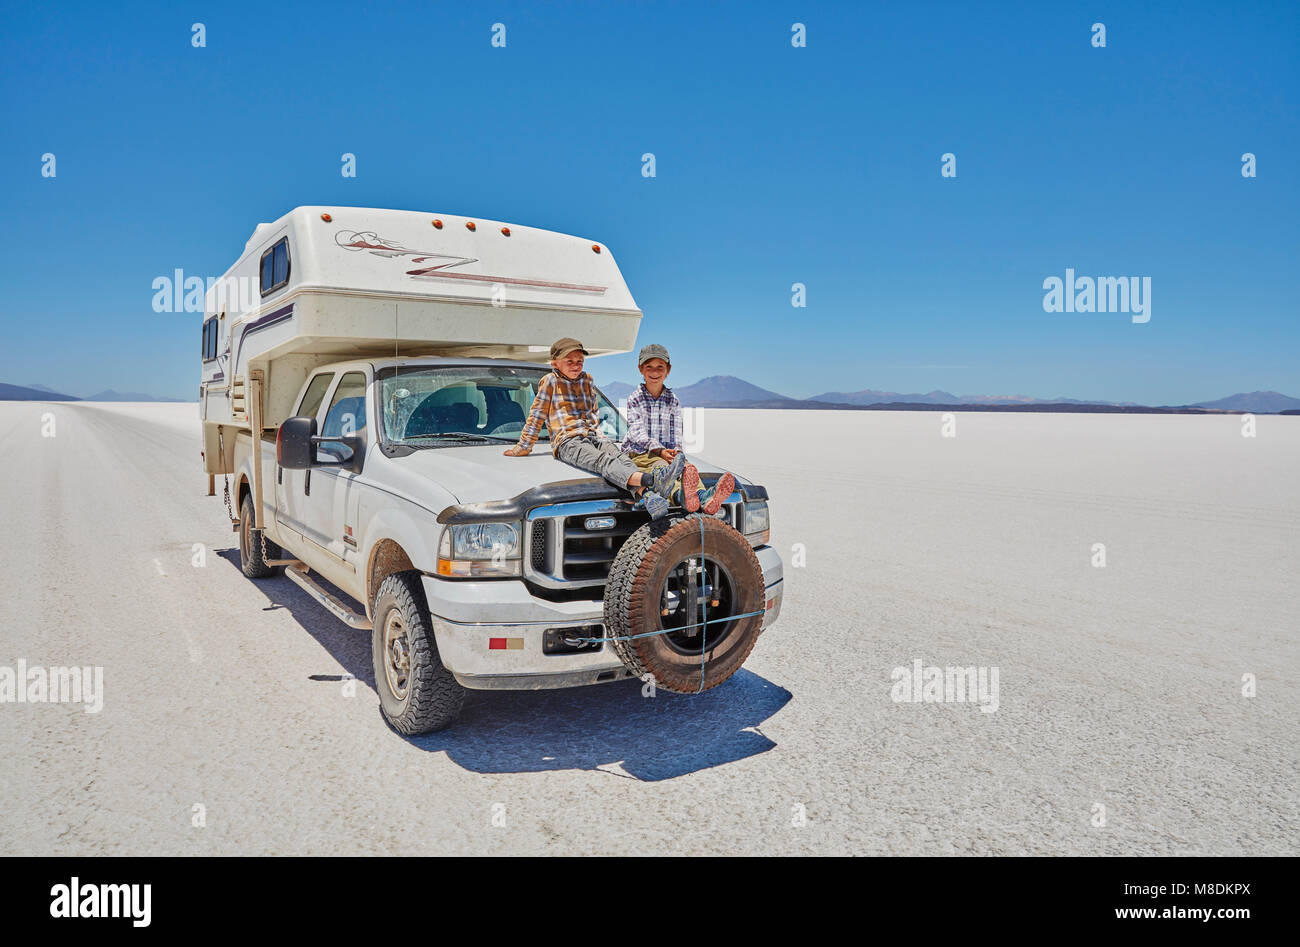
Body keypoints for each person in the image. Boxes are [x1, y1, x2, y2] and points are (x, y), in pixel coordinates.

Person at [503, 338, 682, 519]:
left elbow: (592, 412)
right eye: (569, 361)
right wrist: (523, 447)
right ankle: (652, 481)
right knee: (602, 461)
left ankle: (649, 497)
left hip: (594, 436)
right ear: (555, 363)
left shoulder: (587, 380)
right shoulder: (550, 381)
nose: (575, 365)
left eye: (579, 361)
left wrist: (598, 434)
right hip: (567, 441)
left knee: (623, 460)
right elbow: (537, 415)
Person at [621, 343, 736, 515]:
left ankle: (704, 497)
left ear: (668, 370)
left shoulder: (672, 400)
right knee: (662, 468)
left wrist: (676, 452)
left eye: (660, 367)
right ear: (640, 369)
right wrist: (659, 451)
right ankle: (680, 496)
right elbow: (637, 432)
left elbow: (676, 431)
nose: (654, 372)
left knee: (687, 468)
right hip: (640, 453)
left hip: (666, 451)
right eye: (649, 367)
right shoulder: (635, 398)